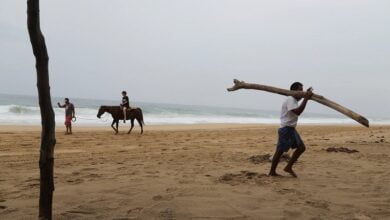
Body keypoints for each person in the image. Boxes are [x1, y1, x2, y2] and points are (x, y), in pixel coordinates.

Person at [269, 82, 313, 178]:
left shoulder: (294, 100)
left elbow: (298, 108)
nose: (301, 92)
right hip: (286, 129)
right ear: (294, 91)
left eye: (302, 90)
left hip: (291, 129)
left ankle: (288, 167)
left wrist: (306, 95)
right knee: (280, 151)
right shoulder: (290, 99)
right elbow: (298, 112)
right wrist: (306, 98)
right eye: (300, 90)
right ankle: (272, 172)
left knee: (301, 148)